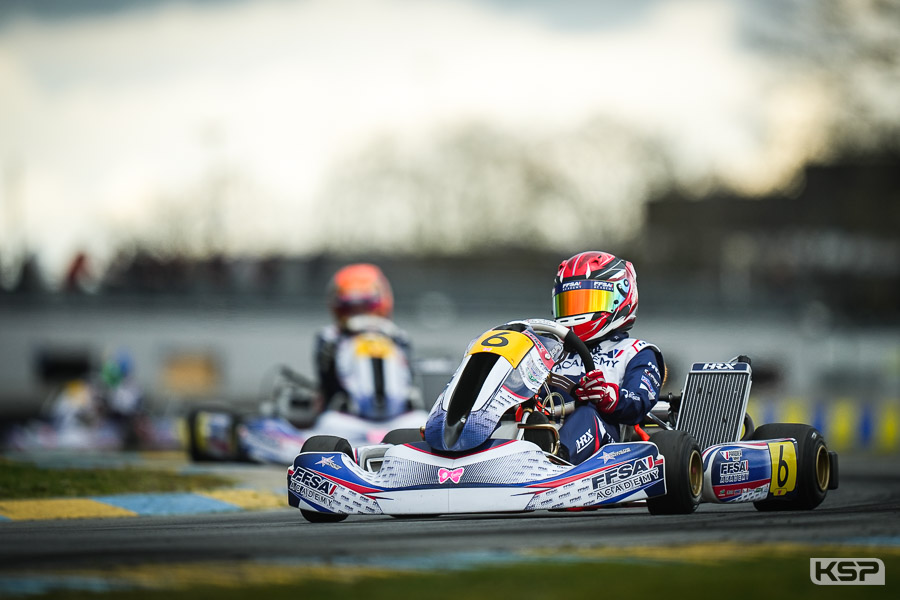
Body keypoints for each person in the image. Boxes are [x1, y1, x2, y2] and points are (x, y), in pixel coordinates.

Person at [544, 251, 665, 464]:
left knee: (586, 414)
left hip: (608, 444)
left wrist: (608, 396)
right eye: (570, 303)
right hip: (544, 426)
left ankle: (555, 460)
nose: (576, 312)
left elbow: (639, 402)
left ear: (620, 298)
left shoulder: (637, 352)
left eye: (588, 301)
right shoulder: (550, 351)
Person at [313, 263, 418, 420]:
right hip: (345, 419)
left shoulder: (398, 337)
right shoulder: (330, 338)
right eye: (352, 307)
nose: (360, 315)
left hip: (400, 419)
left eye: (365, 306)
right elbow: (326, 384)